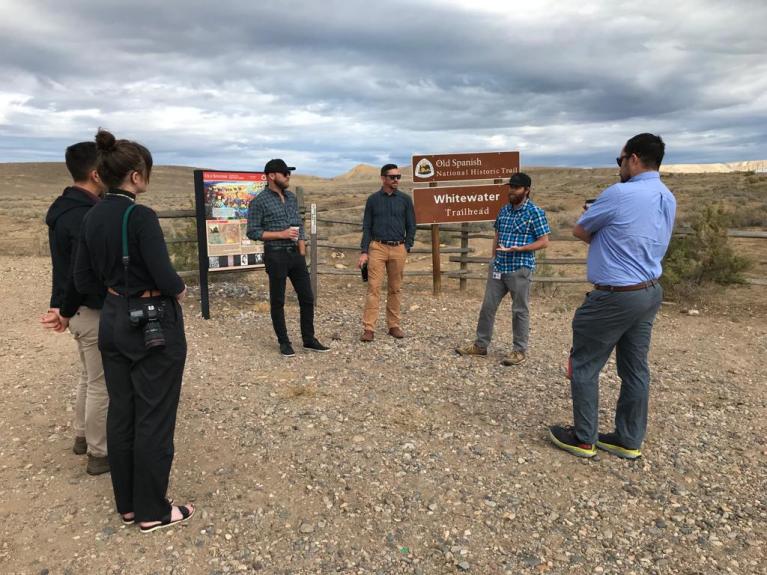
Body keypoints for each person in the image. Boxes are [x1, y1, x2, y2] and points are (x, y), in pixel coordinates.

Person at [74, 129, 194, 532]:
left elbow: (82, 277)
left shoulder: (90, 214)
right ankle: (152, 511)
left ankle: (127, 504)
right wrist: (177, 289)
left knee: (122, 414)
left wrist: (116, 294)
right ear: (137, 176)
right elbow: (163, 272)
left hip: (111, 319)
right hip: (151, 323)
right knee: (154, 417)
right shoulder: (139, 215)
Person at [548, 133, 676, 459]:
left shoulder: (619, 193)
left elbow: (581, 230)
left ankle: (583, 437)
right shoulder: (666, 196)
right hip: (649, 291)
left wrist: (594, 214)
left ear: (633, 159)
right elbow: (635, 239)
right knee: (635, 369)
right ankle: (628, 439)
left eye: (620, 160)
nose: (619, 167)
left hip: (615, 294)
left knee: (585, 363)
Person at [40, 141, 109, 475]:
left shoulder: (62, 209)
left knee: (88, 376)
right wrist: (64, 309)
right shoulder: (86, 215)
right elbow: (82, 274)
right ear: (96, 174)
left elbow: (61, 267)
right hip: (90, 309)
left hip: (76, 310)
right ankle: (99, 453)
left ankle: (82, 436)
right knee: (101, 384)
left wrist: (60, 307)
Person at [455, 173, 550, 366]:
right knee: (487, 307)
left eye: (516, 187)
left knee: (519, 311)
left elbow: (544, 241)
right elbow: (497, 234)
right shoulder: (504, 210)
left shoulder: (535, 212)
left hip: (520, 268)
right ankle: (480, 346)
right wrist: (493, 258)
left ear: (527, 190)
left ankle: (519, 351)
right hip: (499, 266)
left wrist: (521, 248)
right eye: (511, 187)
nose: (512, 190)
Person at [246, 159, 328, 357]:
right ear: (272, 176)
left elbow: (298, 225)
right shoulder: (259, 202)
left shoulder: (291, 198)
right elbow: (253, 232)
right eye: (285, 173)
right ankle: (284, 342)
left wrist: (302, 251)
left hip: (295, 255)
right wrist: (281, 234)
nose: (288, 176)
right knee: (278, 300)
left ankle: (308, 339)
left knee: (307, 298)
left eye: (289, 173)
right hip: (275, 255)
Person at [357, 163, 416, 342]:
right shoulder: (373, 200)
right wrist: (364, 251)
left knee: (395, 289)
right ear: (383, 178)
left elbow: (411, 225)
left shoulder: (405, 200)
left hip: (398, 248)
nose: (396, 180)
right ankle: (369, 328)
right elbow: (367, 226)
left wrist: (406, 247)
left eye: (398, 177)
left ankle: (393, 325)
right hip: (378, 247)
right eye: (393, 177)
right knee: (373, 288)